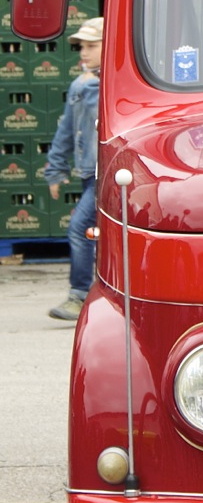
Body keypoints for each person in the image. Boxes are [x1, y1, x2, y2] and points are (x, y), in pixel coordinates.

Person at [44, 17, 102, 321]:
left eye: (92, 46)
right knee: (96, 233)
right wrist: (55, 170)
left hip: (107, 175)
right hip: (89, 173)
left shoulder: (110, 85)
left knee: (80, 228)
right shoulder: (80, 84)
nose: (84, 52)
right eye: (82, 47)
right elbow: (65, 130)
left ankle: (79, 295)